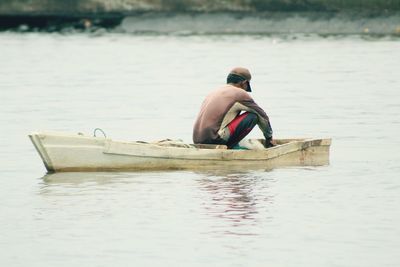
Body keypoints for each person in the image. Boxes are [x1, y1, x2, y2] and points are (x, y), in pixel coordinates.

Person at [193, 67, 274, 149]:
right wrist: (269, 138)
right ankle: (230, 147)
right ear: (244, 83)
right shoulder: (240, 93)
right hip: (215, 139)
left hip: (196, 139)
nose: (245, 90)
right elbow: (263, 116)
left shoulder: (214, 92)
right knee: (253, 116)